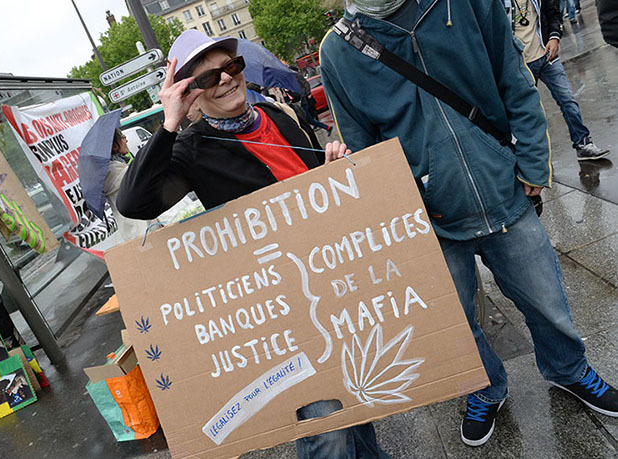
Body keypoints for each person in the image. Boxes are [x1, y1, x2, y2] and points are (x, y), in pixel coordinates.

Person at [319, 0, 618, 448]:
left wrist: (534, 164)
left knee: (546, 300)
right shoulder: (337, 51)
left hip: (501, 185)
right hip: (427, 219)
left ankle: (569, 369)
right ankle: (483, 389)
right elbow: (362, 146)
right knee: (455, 322)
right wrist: (360, 180)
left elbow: (513, 80)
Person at [117, 29, 389, 458]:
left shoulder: (279, 117)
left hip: (330, 282)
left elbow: (309, 195)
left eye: (230, 67)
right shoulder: (191, 149)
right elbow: (135, 202)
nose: (225, 79)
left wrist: (333, 172)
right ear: (191, 93)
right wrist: (169, 123)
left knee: (355, 395)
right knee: (326, 425)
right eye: (207, 78)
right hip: (279, 308)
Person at [510, 0, 609, 160]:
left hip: (547, 56)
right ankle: (538, 160)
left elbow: (553, 12)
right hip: (520, 64)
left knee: (567, 100)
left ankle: (583, 144)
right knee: (530, 113)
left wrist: (554, 36)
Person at [104, 129, 153, 241]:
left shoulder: (114, 167)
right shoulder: (114, 170)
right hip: (139, 228)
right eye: (122, 137)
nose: (126, 140)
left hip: (133, 229)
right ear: (114, 146)